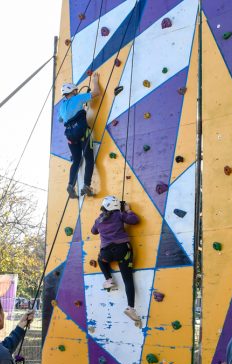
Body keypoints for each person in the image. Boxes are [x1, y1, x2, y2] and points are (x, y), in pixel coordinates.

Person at [91, 195, 141, 325]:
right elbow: (134, 220)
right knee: (128, 279)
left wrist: (100, 222)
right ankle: (130, 307)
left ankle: (108, 280)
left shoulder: (99, 219)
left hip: (107, 252)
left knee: (101, 260)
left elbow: (93, 231)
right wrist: (128, 210)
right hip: (123, 249)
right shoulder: (119, 215)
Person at [59, 73, 101, 199]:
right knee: (89, 158)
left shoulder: (61, 106)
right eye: (75, 91)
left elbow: (60, 120)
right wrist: (95, 81)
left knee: (76, 160)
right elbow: (96, 92)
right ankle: (86, 186)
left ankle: (71, 185)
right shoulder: (77, 98)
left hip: (71, 137)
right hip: (83, 133)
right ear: (72, 91)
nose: (77, 92)